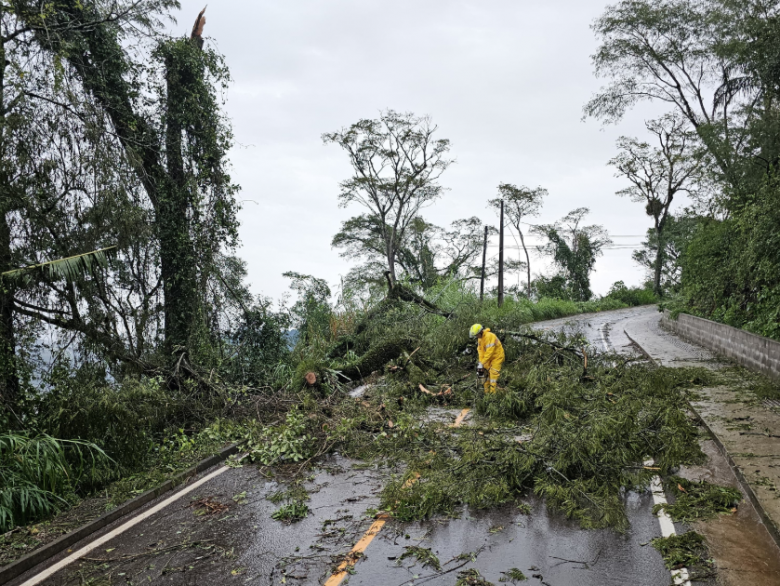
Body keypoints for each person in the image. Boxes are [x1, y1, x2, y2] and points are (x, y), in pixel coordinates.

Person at [469, 324, 505, 394]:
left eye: (476, 335)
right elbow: (480, 351)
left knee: (493, 375)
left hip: (497, 357)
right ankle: (487, 393)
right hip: (487, 359)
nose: (476, 337)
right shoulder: (480, 339)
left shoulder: (489, 336)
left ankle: (492, 395)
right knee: (485, 375)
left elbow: (489, 352)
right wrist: (480, 363)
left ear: (480, 332)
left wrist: (482, 363)